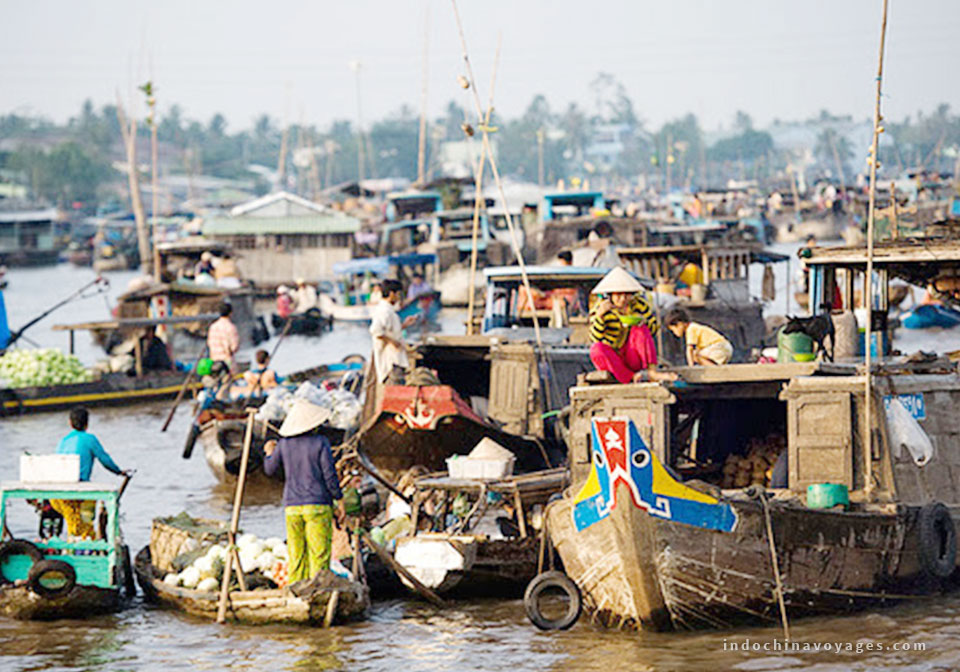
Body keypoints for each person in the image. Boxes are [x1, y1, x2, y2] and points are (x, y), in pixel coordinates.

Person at [263, 400, 345, 583]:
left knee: (296, 554)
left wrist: (269, 452)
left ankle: (296, 590)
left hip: (292, 507)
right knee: (319, 554)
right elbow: (330, 476)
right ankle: (318, 590)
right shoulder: (321, 442)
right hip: (318, 506)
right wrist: (339, 500)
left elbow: (269, 469)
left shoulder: (283, 444)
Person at [588, 267, 676, 384]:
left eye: (627, 295)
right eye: (618, 295)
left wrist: (643, 321)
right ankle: (630, 377)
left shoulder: (639, 305)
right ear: (610, 295)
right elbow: (595, 337)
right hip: (614, 358)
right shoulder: (600, 308)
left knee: (641, 328)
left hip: (632, 355)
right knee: (596, 350)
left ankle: (652, 372)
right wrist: (600, 316)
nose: (623, 299)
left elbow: (654, 328)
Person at [52, 407, 126, 538]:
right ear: (87, 423)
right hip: (80, 489)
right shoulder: (90, 439)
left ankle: (73, 544)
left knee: (73, 521)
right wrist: (118, 471)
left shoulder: (63, 441)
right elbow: (104, 459)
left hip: (60, 492)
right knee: (85, 520)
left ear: (70, 423)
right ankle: (88, 543)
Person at [370, 279, 417, 383]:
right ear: (391, 294)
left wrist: (404, 325)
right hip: (390, 362)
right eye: (398, 294)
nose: (399, 298)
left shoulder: (389, 310)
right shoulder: (383, 311)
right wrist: (393, 342)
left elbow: (389, 330)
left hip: (396, 360)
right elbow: (376, 331)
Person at [665, 307, 733, 366]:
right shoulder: (694, 327)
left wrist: (691, 367)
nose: (674, 333)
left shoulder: (691, 329)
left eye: (673, 330)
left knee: (695, 355)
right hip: (724, 348)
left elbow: (690, 350)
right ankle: (713, 367)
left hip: (719, 347)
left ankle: (714, 370)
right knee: (698, 352)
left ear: (680, 324)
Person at [207, 302, 240, 371]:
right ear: (230, 313)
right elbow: (234, 347)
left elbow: (209, 343)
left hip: (214, 361)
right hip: (226, 362)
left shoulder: (213, 326)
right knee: (229, 381)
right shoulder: (231, 327)